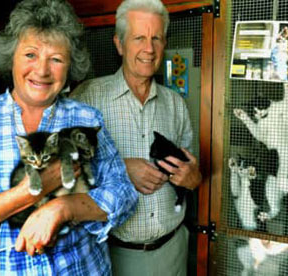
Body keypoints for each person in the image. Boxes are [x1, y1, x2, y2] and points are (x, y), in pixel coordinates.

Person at [0, 0, 138, 274]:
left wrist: (63, 207)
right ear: (11, 56)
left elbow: (123, 193)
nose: (43, 70)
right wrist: (28, 192)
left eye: (56, 59)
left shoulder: (87, 119)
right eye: (31, 55)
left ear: (70, 65)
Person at [70, 0, 202, 275]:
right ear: (119, 44)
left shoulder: (175, 103)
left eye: (156, 38)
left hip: (173, 250)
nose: (149, 49)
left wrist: (192, 179)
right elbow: (63, 172)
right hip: (112, 253)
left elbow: (194, 170)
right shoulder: (87, 97)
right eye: (139, 37)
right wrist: (121, 168)